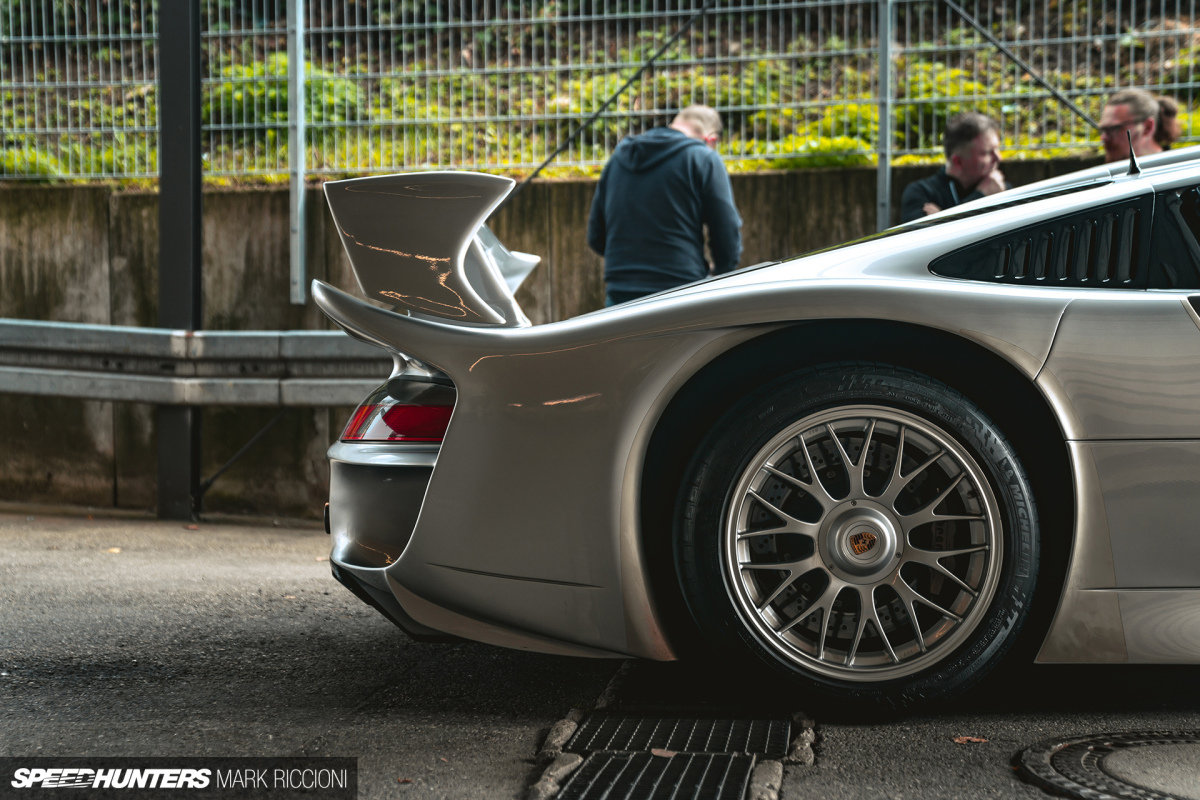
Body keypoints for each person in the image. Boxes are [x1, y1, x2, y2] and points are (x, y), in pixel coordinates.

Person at [587, 105, 742, 306]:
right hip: (681, 293)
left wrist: (631, 268)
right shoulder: (703, 158)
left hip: (620, 294)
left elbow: (595, 236)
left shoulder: (619, 158)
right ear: (711, 138)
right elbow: (726, 232)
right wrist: (722, 272)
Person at [900, 112, 1008, 223]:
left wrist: (942, 220)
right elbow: (924, 237)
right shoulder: (922, 193)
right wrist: (980, 196)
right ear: (958, 161)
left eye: (996, 149)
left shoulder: (1000, 188)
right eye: (986, 153)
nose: (998, 158)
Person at [1099, 89, 1182, 163]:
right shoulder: (1099, 171)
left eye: (1114, 129)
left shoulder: (1173, 171)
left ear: (1147, 127)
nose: (1104, 138)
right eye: (1104, 130)